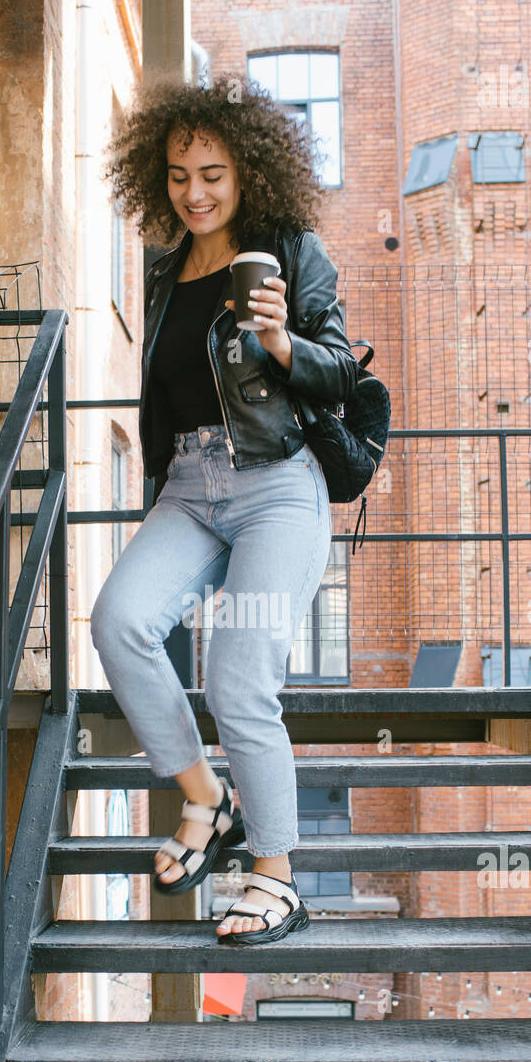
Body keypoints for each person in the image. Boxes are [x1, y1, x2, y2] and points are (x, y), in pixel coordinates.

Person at [93, 73, 357, 943]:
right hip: (188, 485)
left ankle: (275, 875)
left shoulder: (288, 252)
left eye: (211, 172)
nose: (194, 191)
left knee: (241, 678)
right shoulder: (165, 270)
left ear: (246, 171)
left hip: (276, 485)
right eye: (177, 174)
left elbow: (338, 371)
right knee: (120, 619)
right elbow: (164, 399)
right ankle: (206, 799)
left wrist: (282, 341)